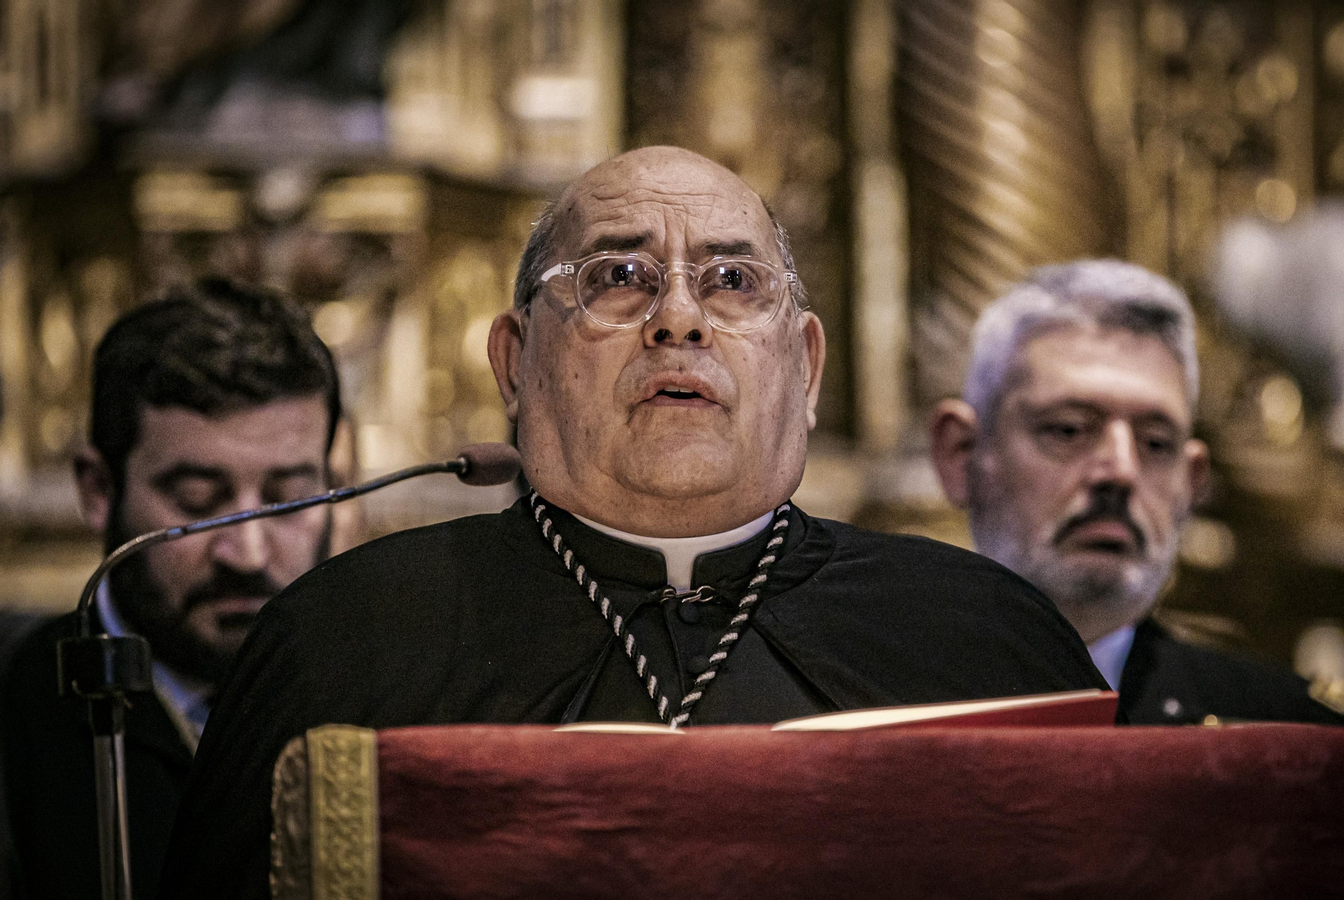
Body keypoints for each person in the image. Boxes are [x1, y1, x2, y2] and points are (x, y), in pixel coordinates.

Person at [160, 146, 1107, 899]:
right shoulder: (343, 641)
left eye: (733, 280)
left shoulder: (978, 635)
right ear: (516, 362)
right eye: (620, 276)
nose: (680, 319)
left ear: (806, 367)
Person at [0, 278, 342, 900]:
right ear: (99, 490)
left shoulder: (387, 698)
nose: (249, 553)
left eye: (290, 499)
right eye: (198, 501)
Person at [929, 259, 1344, 727]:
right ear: (962, 454)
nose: (1121, 471)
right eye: (1068, 429)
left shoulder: (1297, 734)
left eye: (1156, 444)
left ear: (1191, 482)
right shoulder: (878, 701)